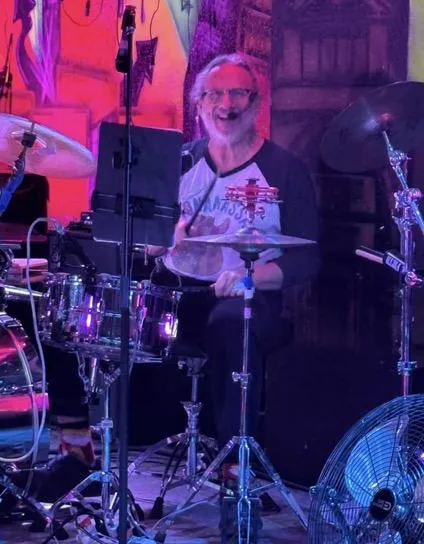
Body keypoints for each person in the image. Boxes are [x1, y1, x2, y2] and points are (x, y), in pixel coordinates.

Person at [148, 53, 319, 518]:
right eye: (215, 94)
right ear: (199, 104)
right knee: (104, 318)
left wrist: (248, 278)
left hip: (250, 298)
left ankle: (235, 467)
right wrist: (163, 239)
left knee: (230, 324)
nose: (227, 104)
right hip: (179, 294)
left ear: (256, 102)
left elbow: (307, 258)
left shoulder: (284, 170)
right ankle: (90, 451)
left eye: (238, 93)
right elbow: (144, 242)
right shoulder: (179, 162)